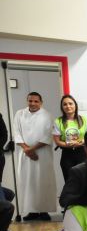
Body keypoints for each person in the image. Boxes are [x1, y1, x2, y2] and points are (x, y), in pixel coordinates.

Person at [12, 92, 56, 221]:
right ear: (27, 101)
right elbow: (16, 132)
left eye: (36, 101)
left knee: (43, 181)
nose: (33, 103)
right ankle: (31, 210)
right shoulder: (19, 114)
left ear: (41, 102)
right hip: (25, 153)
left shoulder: (47, 115)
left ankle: (43, 210)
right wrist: (27, 149)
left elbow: (48, 135)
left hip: (42, 153)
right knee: (28, 181)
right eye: (30, 101)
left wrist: (32, 149)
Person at [52, 94, 87, 181]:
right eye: (65, 104)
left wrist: (82, 142)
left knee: (84, 180)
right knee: (70, 181)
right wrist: (69, 145)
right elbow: (57, 141)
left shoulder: (84, 119)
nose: (68, 106)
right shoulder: (58, 121)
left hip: (82, 153)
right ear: (62, 107)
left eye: (70, 103)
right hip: (67, 155)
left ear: (75, 105)